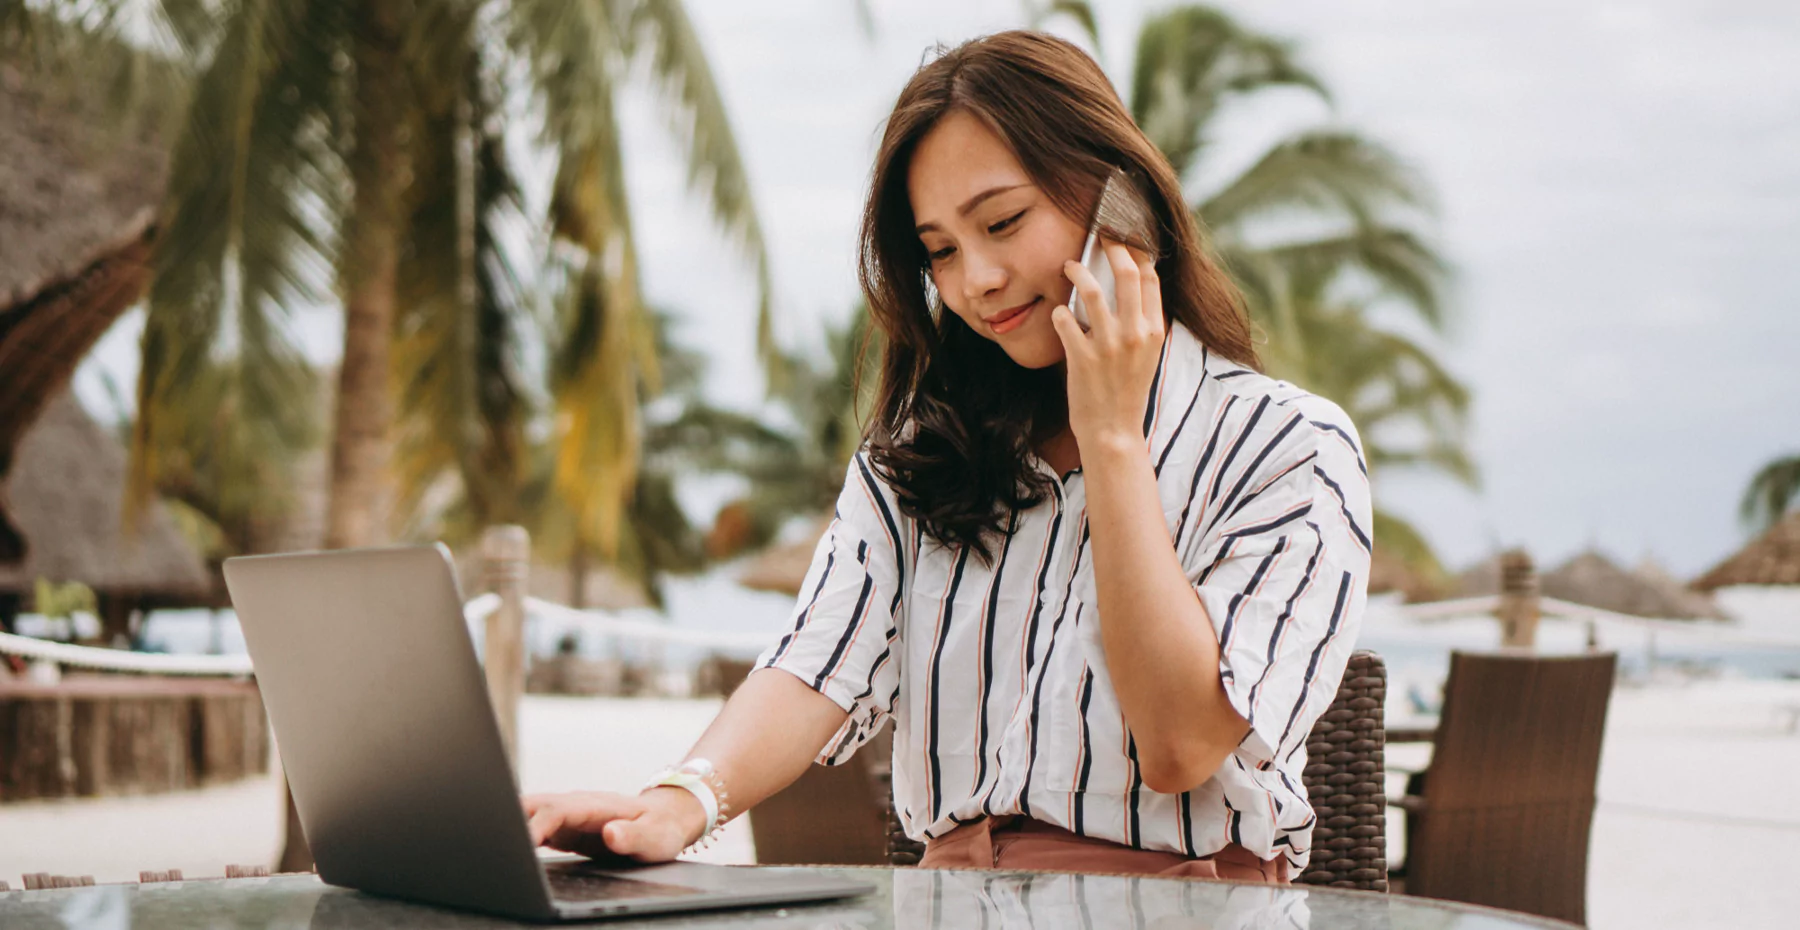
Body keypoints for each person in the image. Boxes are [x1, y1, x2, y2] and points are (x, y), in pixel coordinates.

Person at [523, 30, 1371, 883]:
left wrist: (1113, 436)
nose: (978, 281)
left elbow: (1182, 744)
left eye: (1003, 222)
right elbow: (820, 657)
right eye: (942, 251)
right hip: (951, 902)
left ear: (1124, 204)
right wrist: (676, 803)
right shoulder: (925, 454)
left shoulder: (1288, 449)